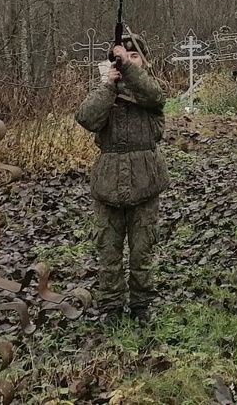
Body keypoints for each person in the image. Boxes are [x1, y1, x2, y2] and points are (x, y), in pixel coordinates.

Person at [75, 30, 169, 326]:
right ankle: (111, 306)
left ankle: (141, 304)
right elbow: (87, 118)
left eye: (134, 56)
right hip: (108, 184)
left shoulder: (152, 89)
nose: (128, 61)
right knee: (109, 250)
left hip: (145, 181)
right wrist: (109, 86)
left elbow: (154, 96)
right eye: (122, 57)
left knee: (142, 249)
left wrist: (127, 69)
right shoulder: (107, 91)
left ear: (144, 61)